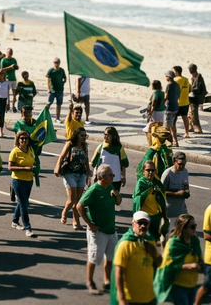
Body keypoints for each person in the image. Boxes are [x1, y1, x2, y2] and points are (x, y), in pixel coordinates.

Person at [77, 164, 122, 295]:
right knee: (94, 258)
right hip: (98, 232)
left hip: (111, 230)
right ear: (102, 177)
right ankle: (90, 282)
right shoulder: (93, 190)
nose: (113, 177)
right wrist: (89, 224)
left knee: (110, 258)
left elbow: (118, 202)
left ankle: (107, 281)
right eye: (110, 175)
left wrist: (117, 196)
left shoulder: (110, 187)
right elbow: (79, 206)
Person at [112, 211, 161, 305]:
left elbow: (159, 265)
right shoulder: (125, 244)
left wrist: (155, 254)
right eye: (140, 223)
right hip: (130, 299)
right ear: (133, 224)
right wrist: (122, 298)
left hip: (148, 297)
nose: (143, 226)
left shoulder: (150, 241)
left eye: (145, 223)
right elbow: (119, 272)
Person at [153, 214, 202, 305]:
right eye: (192, 227)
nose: (195, 229)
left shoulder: (195, 241)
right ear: (183, 228)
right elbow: (167, 265)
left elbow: (199, 260)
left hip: (192, 285)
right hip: (178, 286)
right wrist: (188, 266)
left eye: (195, 226)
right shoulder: (174, 244)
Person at [55, 126, 91, 230]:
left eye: (85, 135)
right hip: (70, 174)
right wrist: (57, 168)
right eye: (82, 135)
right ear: (77, 135)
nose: (84, 137)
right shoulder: (70, 144)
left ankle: (76, 222)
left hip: (81, 174)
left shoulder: (84, 146)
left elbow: (86, 159)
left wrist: (88, 173)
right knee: (72, 200)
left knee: (78, 201)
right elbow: (61, 156)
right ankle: (64, 212)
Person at [9, 130, 37, 237]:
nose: (24, 140)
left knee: (22, 202)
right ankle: (28, 227)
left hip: (29, 180)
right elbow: (10, 167)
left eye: (26, 138)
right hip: (18, 180)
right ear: (18, 140)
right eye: (22, 138)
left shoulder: (31, 150)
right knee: (24, 204)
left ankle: (15, 221)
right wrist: (24, 168)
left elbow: (33, 161)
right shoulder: (15, 151)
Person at [133, 160, 168, 243]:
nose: (151, 172)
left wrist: (164, 214)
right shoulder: (141, 183)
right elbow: (137, 199)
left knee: (154, 241)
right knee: (144, 241)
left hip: (156, 217)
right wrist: (149, 191)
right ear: (143, 171)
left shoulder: (157, 183)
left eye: (153, 170)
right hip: (144, 217)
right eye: (148, 170)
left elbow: (162, 197)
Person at [90, 127, 129, 194]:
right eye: (104, 134)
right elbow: (95, 163)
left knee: (114, 197)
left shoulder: (119, 148)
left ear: (113, 136)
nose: (105, 137)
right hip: (103, 179)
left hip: (116, 179)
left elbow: (124, 164)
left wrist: (123, 177)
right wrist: (95, 175)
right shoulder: (101, 147)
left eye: (108, 135)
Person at [162, 151, 190, 230]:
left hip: (182, 210)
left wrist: (186, 192)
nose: (182, 166)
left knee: (184, 232)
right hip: (169, 212)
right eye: (179, 164)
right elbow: (161, 192)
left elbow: (186, 186)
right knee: (169, 234)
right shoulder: (168, 174)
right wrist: (176, 194)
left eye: (184, 164)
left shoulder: (185, 172)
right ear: (174, 161)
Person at [46, 58, 67, 122]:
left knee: (59, 104)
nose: (56, 64)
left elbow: (64, 78)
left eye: (57, 63)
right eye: (55, 63)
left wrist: (62, 83)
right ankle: (45, 116)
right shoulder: (51, 71)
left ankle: (57, 118)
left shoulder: (61, 70)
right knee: (49, 103)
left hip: (60, 90)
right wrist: (48, 88)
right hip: (52, 90)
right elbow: (48, 80)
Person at [164, 70, 181, 147]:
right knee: (173, 125)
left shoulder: (169, 85)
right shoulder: (177, 85)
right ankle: (175, 141)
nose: (165, 77)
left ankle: (169, 141)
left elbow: (166, 97)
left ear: (169, 77)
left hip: (169, 107)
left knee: (167, 126)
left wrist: (161, 104)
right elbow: (179, 95)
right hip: (176, 107)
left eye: (166, 76)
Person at [0, 48, 19, 112]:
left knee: (14, 93)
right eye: (9, 52)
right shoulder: (3, 60)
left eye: (11, 52)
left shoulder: (14, 60)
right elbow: (1, 69)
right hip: (7, 78)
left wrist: (15, 66)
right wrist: (10, 67)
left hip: (13, 78)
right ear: (6, 52)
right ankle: (8, 106)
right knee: (7, 94)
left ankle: (13, 106)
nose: (10, 54)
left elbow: (17, 68)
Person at [188, 64, 207, 134]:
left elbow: (197, 89)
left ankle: (199, 129)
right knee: (191, 113)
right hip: (193, 98)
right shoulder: (195, 78)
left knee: (194, 113)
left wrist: (190, 88)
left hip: (195, 98)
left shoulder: (198, 78)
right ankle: (190, 127)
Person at [174, 66, 191, 138]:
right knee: (185, 117)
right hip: (186, 102)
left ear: (176, 72)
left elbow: (175, 91)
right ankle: (186, 133)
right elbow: (190, 89)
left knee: (173, 119)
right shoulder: (186, 79)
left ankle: (173, 133)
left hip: (178, 103)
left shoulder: (176, 80)